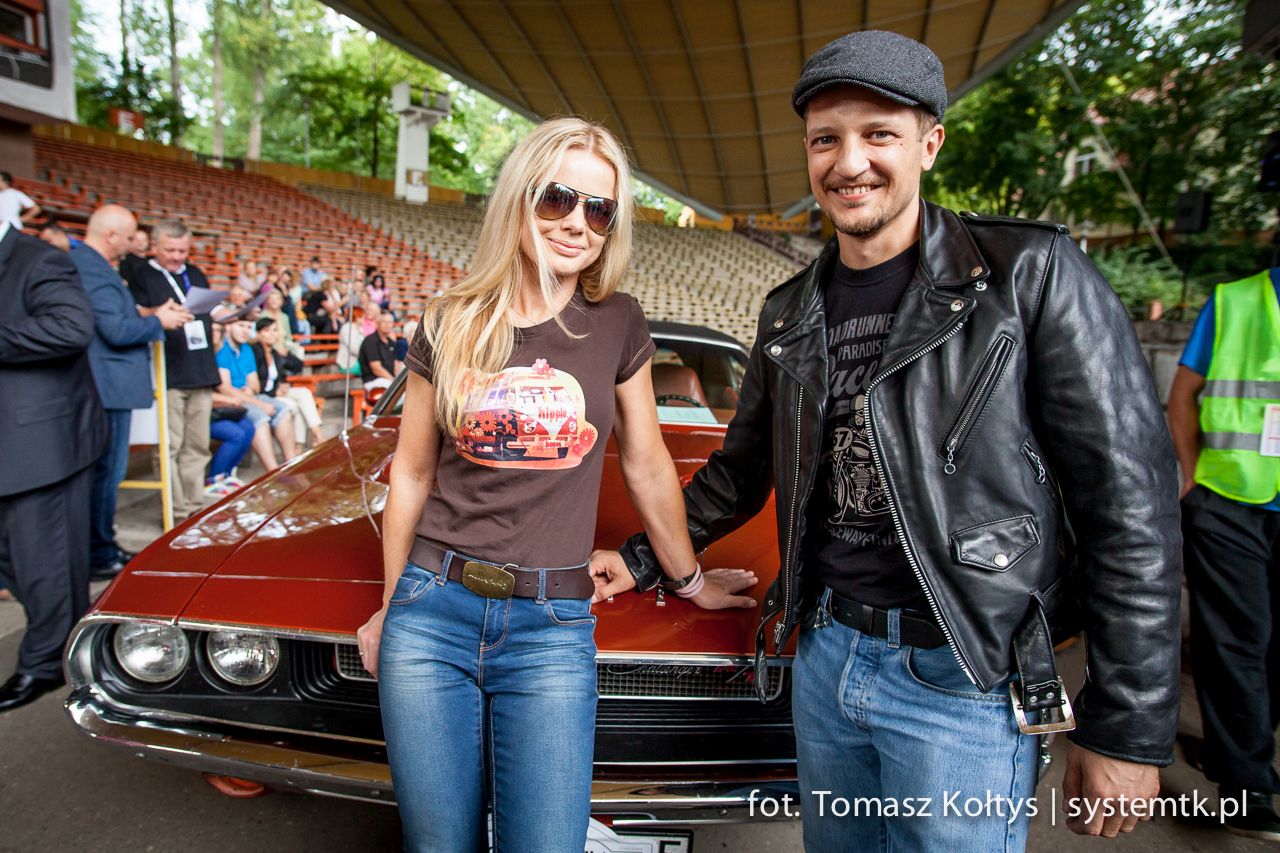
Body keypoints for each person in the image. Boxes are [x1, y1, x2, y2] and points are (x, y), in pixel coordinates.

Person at [590, 30, 1182, 851]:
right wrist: (643, 557)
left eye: (879, 135)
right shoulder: (789, 310)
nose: (850, 162)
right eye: (825, 139)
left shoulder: (1029, 273)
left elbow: (1131, 505)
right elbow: (739, 472)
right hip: (828, 660)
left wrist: (1127, 726)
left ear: (929, 144)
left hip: (964, 677)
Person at [354, 117, 755, 853]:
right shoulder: (449, 319)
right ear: (519, 197)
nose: (578, 223)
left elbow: (647, 465)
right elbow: (411, 472)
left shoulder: (618, 322)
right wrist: (389, 605)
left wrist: (689, 579)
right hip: (431, 610)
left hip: (551, 625)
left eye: (599, 210)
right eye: (558, 199)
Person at [1168, 266, 1280, 841]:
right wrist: (1192, 478)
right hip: (1230, 498)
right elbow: (1183, 396)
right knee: (1238, 639)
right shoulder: (1237, 301)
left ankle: (1234, 749)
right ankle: (1246, 784)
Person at [0, 218, 106, 712]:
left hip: (41, 445)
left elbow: (71, 327)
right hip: (15, 441)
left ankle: (45, 663)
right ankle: (59, 642)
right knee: (18, 561)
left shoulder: (37, 259)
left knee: (46, 563)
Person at [72, 205, 192, 581]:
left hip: (108, 385)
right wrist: (159, 322)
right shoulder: (91, 268)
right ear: (110, 235)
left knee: (106, 474)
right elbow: (116, 331)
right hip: (107, 386)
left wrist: (148, 312)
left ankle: (103, 546)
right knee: (107, 474)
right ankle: (100, 552)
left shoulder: (93, 266)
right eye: (128, 238)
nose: (133, 245)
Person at [126, 219, 222, 521]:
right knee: (170, 446)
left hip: (201, 370)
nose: (177, 257)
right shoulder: (141, 275)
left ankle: (194, 506)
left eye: (182, 251)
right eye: (170, 250)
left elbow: (213, 310)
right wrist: (158, 313)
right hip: (168, 371)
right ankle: (175, 510)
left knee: (198, 445)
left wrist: (238, 314)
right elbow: (135, 314)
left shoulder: (195, 273)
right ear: (155, 246)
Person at [215, 318, 297, 469]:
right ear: (228, 327)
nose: (245, 331)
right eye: (241, 326)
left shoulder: (246, 349)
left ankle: (291, 464)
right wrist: (256, 401)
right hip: (231, 400)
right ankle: (272, 471)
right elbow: (225, 388)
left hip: (249, 395)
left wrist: (251, 391)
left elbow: (256, 385)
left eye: (248, 327)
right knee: (260, 417)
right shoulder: (221, 349)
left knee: (284, 410)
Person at [254, 316, 324, 447]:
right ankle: (299, 446)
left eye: (275, 330)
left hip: (276, 391)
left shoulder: (274, 353)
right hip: (263, 395)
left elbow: (298, 365)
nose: (272, 334)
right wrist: (274, 391)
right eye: (267, 330)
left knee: (304, 392)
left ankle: (317, 434)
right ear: (258, 334)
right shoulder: (254, 352)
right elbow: (256, 383)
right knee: (294, 405)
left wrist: (285, 354)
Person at [357, 311, 397, 392]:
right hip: (374, 381)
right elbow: (376, 368)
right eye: (384, 322)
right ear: (378, 323)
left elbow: (396, 364)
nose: (387, 325)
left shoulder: (391, 342)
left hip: (388, 380)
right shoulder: (370, 341)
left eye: (390, 322)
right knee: (399, 392)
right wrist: (395, 382)